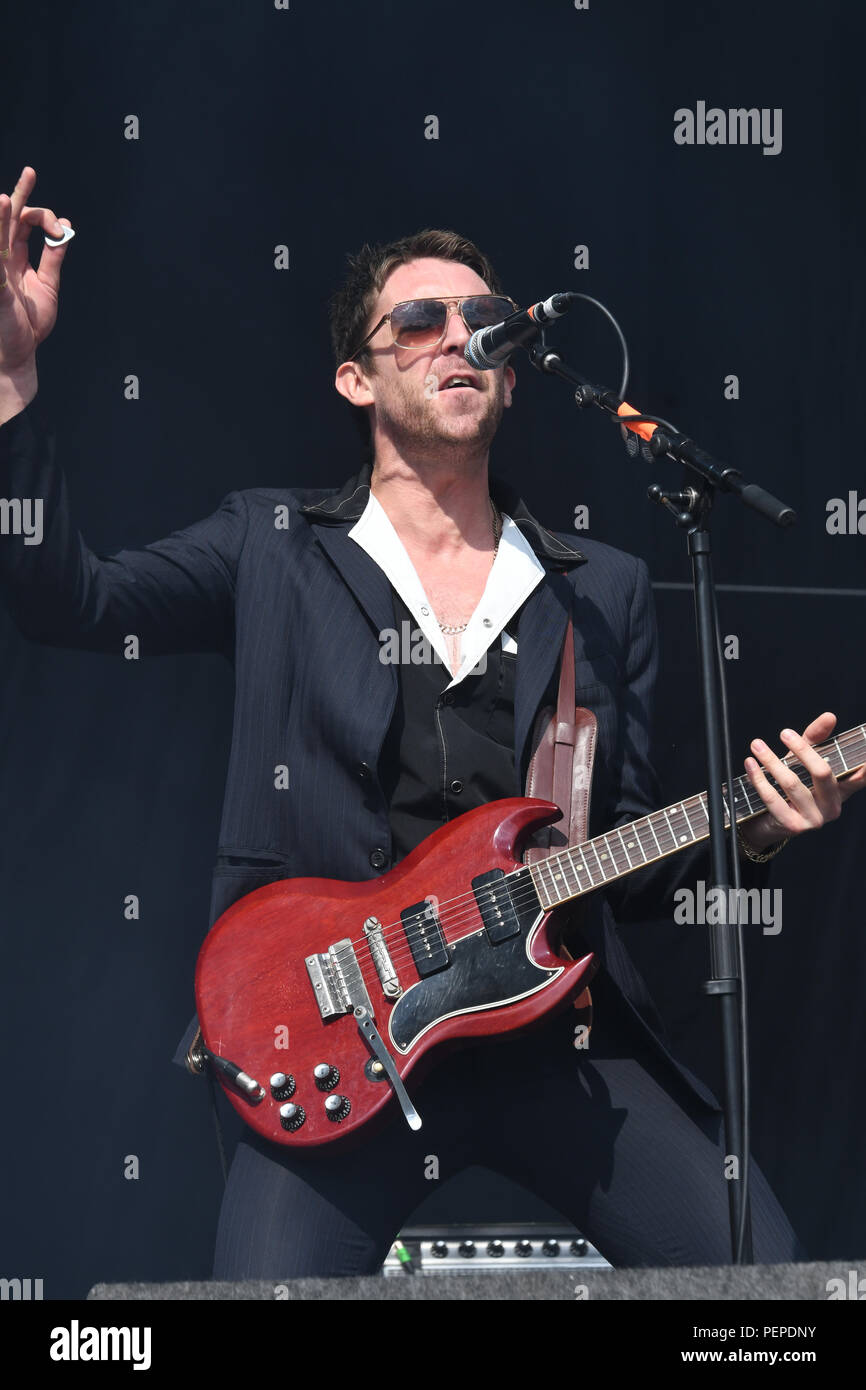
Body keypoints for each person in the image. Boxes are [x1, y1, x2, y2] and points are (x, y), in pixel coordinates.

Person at [1, 166, 863, 1278]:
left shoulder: (592, 585)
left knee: (763, 1292)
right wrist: (14, 372)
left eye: (487, 322)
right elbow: (68, 601)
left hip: (557, 1036)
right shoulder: (270, 544)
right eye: (421, 320)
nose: (462, 338)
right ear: (355, 378)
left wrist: (757, 828)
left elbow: (632, 859)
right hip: (339, 1035)